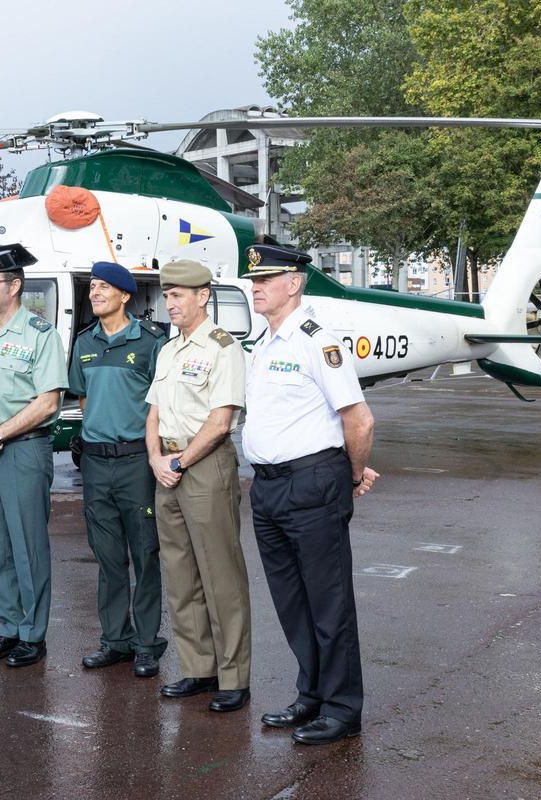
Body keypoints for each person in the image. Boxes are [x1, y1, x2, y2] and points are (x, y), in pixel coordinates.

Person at [240, 244, 379, 745]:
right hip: (268, 487)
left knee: (328, 602)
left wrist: (353, 473)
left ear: (294, 284)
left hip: (312, 483)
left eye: (265, 280)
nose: (255, 287)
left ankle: (342, 709)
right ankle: (312, 693)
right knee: (292, 601)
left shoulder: (317, 341)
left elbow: (358, 418)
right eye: (253, 280)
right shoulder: (264, 341)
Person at [145, 259, 253, 713]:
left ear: (202, 296)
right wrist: (155, 458)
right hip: (167, 464)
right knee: (180, 573)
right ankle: (198, 668)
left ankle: (233, 676)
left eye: (178, 295)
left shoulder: (223, 347)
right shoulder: (169, 350)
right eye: (166, 295)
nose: (169, 302)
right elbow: (152, 412)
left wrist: (179, 461)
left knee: (220, 574)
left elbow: (221, 420)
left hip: (204, 465)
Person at [0, 244, 68, 668]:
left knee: (27, 546)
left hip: (22, 451)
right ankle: (8, 627)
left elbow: (48, 402)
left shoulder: (40, 335)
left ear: (15, 286)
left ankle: (32, 634)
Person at [67, 261, 168, 678]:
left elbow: (160, 406)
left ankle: (146, 643)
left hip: (136, 464)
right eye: (92, 287)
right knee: (107, 557)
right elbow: (85, 400)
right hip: (95, 463)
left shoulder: (150, 342)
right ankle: (115, 640)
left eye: (104, 287)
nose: (95, 293)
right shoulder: (84, 341)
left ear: (125, 295)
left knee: (144, 554)